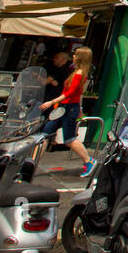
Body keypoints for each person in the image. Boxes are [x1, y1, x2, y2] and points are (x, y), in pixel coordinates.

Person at [40, 46, 94, 176]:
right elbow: (77, 94)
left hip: (68, 108)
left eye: (75, 55)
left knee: (69, 139)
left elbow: (70, 93)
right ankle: (31, 161)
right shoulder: (76, 72)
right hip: (64, 108)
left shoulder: (79, 73)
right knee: (44, 135)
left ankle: (88, 160)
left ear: (80, 57)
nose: (73, 57)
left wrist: (51, 102)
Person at [43, 49, 72, 117]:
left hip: (52, 99)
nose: (54, 59)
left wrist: (36, 76)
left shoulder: (61, 69)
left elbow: (45, 82)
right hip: (52, 99)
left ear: (63, 60)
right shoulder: (62, 69)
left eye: (57, 58)